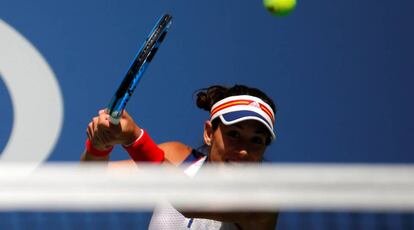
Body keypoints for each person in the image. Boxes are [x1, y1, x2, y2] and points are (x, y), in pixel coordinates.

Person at [82, 84, 278, 229]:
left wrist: (135, 138)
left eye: (256, 141)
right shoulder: (177, 158)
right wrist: (99, 146)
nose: (244, 150)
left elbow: (190, 199)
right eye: (234, 134)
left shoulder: (263, 202)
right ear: (209, 133)